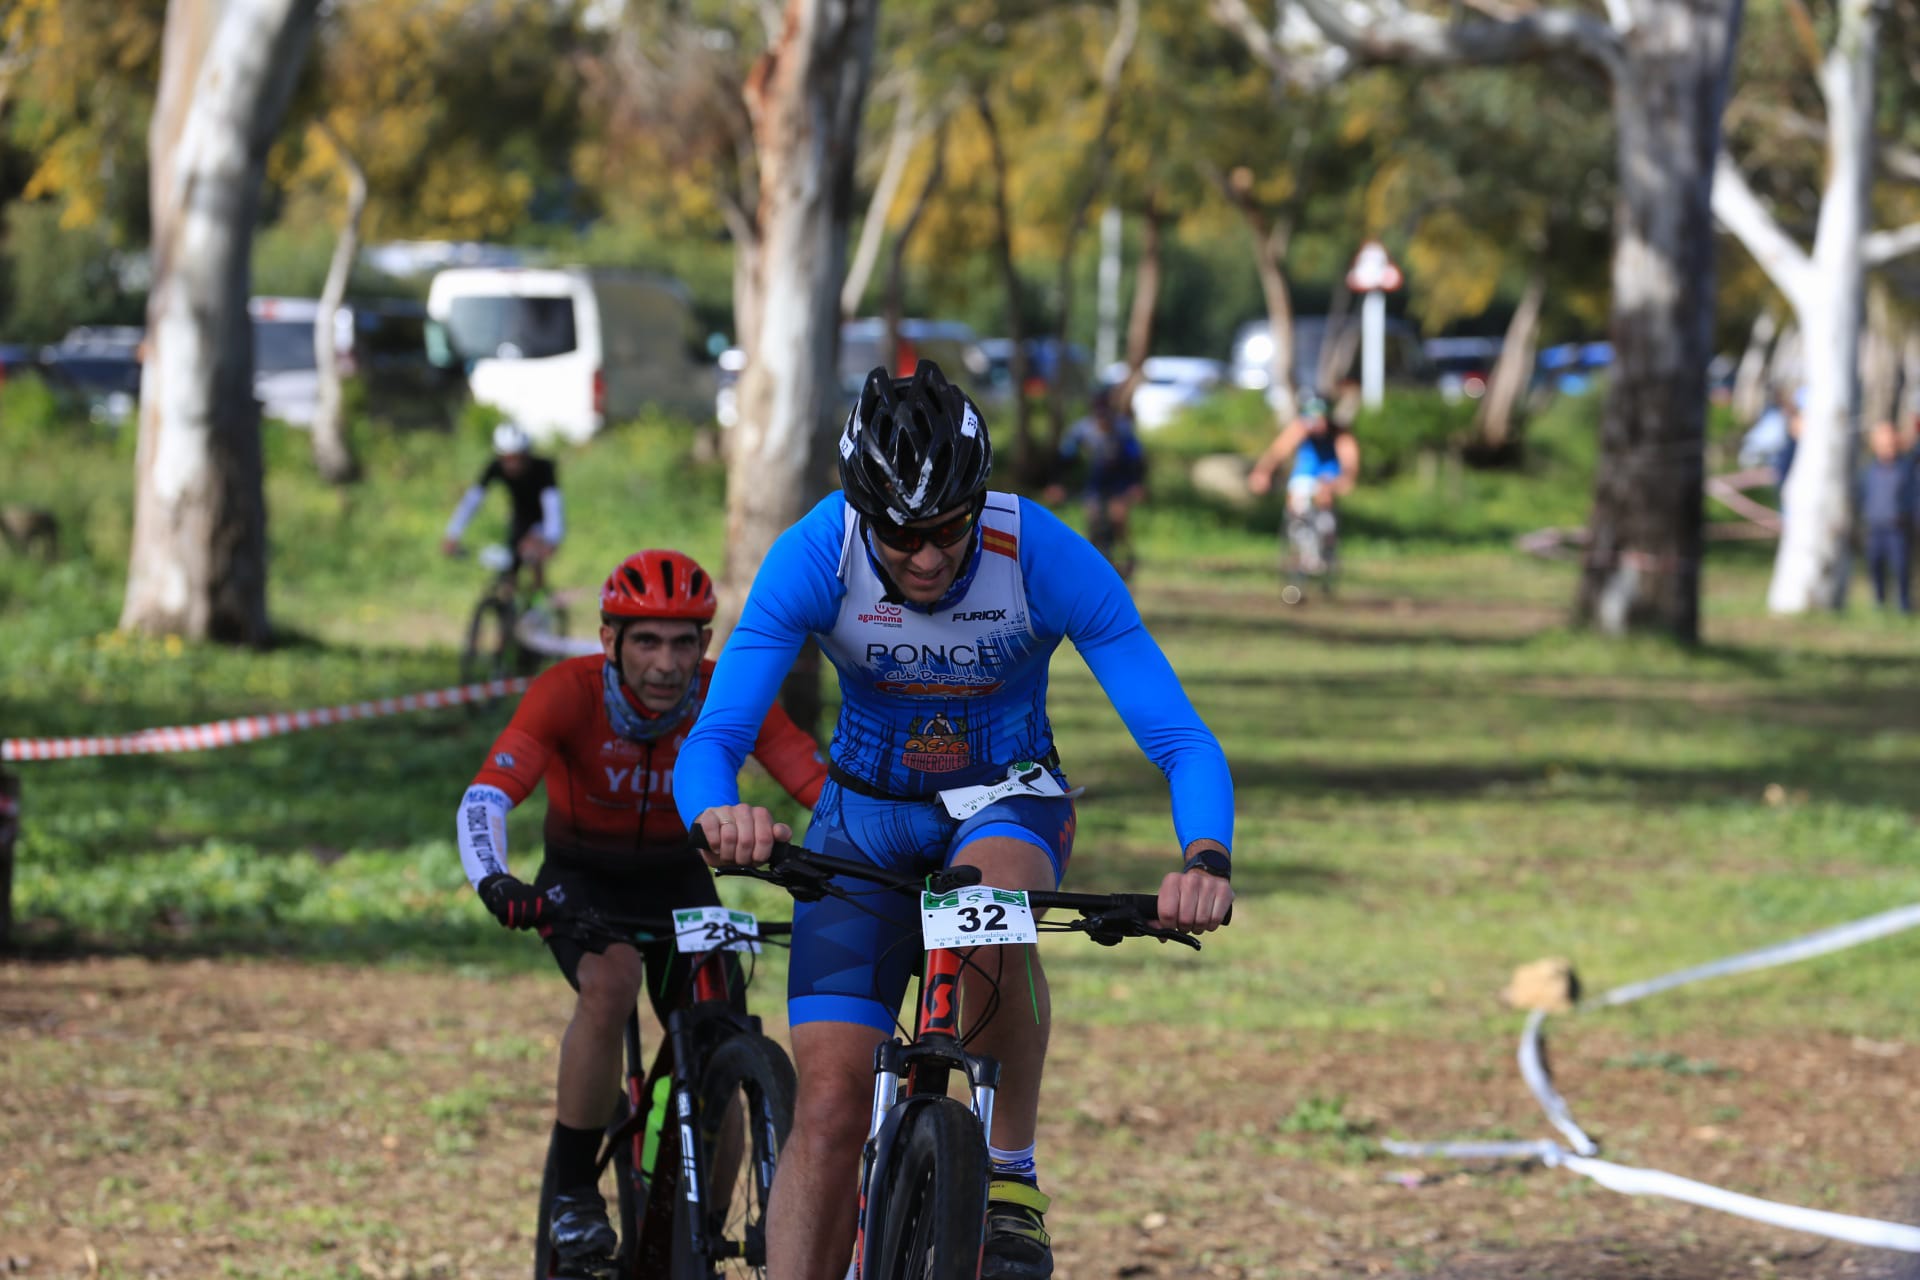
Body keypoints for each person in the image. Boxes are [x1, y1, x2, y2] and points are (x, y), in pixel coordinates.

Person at [674, 361, 1235, 1280]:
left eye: (947, 529)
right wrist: (719, 813)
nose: (929, 557)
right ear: (863, 512)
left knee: (985, 901)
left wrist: (1204, 857)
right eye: (902, 535)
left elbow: (1180, 738)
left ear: (979, 500)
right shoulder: (816, 554)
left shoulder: (1041, 551)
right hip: (863, 819)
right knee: (826, 1105)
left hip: (1006, 799)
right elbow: (717, 737)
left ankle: (1008, 1173)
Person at [455, 549, 827, 1277]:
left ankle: (697, 1233)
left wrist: (886, 853)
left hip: (678, 883)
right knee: (612, 982)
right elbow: (488, 796)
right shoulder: (568, 691)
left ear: (704, 645)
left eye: (685, 640)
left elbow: (816, 780)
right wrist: (496, 880)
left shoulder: (726, 697)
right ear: (609, 642)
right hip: (580, 880)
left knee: (724, 1031)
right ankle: (573, 1191)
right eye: (647, 641)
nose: (667, 662)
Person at [442, 422, 565, 590]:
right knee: (510, 566)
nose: (511, 465)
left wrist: (551, 539)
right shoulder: (495, 467)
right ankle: (511, 604)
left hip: (542, 521)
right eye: (507, 459)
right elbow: (472, 501)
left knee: (532, 558)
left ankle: (541, 598)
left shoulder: (543, 468)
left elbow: (553, 507)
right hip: (520, 518)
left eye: (516, 458)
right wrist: (453, 533)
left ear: (526, 455)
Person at [1247, 393, 1361, 572]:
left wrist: (1344, 481)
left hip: (1328, 474)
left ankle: (1326, 538)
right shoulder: (1299, 428)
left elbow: (1349, 463)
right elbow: (1278, 452)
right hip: (1305, 473)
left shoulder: (1340, 434)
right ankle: (1302, 542)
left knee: (1325, 495)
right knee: (1297, 498)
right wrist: (1262, 473)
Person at [1043, 387, 1147, 575]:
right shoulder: (1082, 429)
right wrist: (1056, 483)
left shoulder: (1123, 429)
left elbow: (1136, 460)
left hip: (1120, 480)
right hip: (1096, 481)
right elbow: (1065, 458)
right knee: (1094, 517)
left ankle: (1127, 556)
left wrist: (1136, 484)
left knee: (1118, 517)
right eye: (1099, 417)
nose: (1102, 422)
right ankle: (1094, 562)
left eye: (1106, 417)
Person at [1861, 421, 1914, 614]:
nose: (1887, 445)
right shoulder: (1869, 470)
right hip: (1875, 527)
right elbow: (1862, 495)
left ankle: (1904, 606)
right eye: (1882, 441)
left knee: (1901, 568)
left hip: (1898, 528)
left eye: (1890, 440)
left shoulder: (1906, 467)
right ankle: (1879, 604)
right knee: (1875, 566)